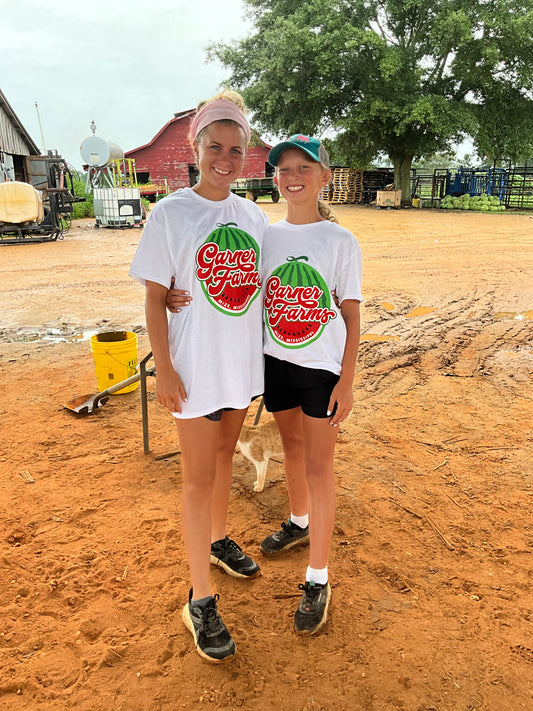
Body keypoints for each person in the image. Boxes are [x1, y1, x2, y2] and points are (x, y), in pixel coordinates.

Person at [129, 90, 269, 664]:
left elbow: (263, 285)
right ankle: (200, 601)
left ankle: (215, 542)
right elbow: (156, 298)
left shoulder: (253, 216)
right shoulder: (170, 213)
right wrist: (163, 367)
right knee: (194, 479)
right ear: (196, 146)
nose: (225, 159)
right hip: (191, 368)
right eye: (216, 146)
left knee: (222, 459)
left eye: (236, 149)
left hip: (237, 365)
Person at [258, 134, 362, 635]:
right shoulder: (267, 236)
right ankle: (299, 522)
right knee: (291, 447)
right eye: (284, 169)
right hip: (276, 360)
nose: (292, 176)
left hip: (321, 369)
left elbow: (351, 312)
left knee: (320, 466)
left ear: (324, 177)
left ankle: (318, 577)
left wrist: (347, 377)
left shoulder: (340, 241)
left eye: (305, 167)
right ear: (274, 178)